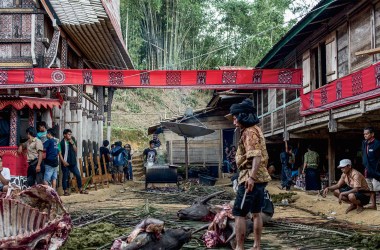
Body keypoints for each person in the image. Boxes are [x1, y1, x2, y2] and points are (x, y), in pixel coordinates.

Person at [225, 98, 271, 250]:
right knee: (256, 212)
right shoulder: (256, 129)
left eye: (235, 118)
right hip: (260, 178)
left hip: (250, 179)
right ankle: (257, 246)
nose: (234, 121)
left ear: (243, 116)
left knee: (239, 213)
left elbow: (256, 155)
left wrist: (251, 177)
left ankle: (239, 247)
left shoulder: (249, 132)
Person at [58, 129, 87, 195]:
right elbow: (60, 154)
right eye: (68, 134)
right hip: (65, 163)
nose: (70, 136)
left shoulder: (72, 141)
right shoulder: (61, 143)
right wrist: (63, 162)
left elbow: (76, 150)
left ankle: (80, 189)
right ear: (64, 135)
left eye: (70, 134)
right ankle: (65, 190)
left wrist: (72, 143)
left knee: (78, 175)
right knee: (65, 177)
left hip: (73, 163)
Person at [362, 127, 380, 210]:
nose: (365, 135)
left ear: (372, 134)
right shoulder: (364, 143)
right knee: (371, 189)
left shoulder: (377, 144)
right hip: (367, 170)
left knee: (378, 188)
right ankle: (373, 205)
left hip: (376, 170)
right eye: (364, 134)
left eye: (367, 134)